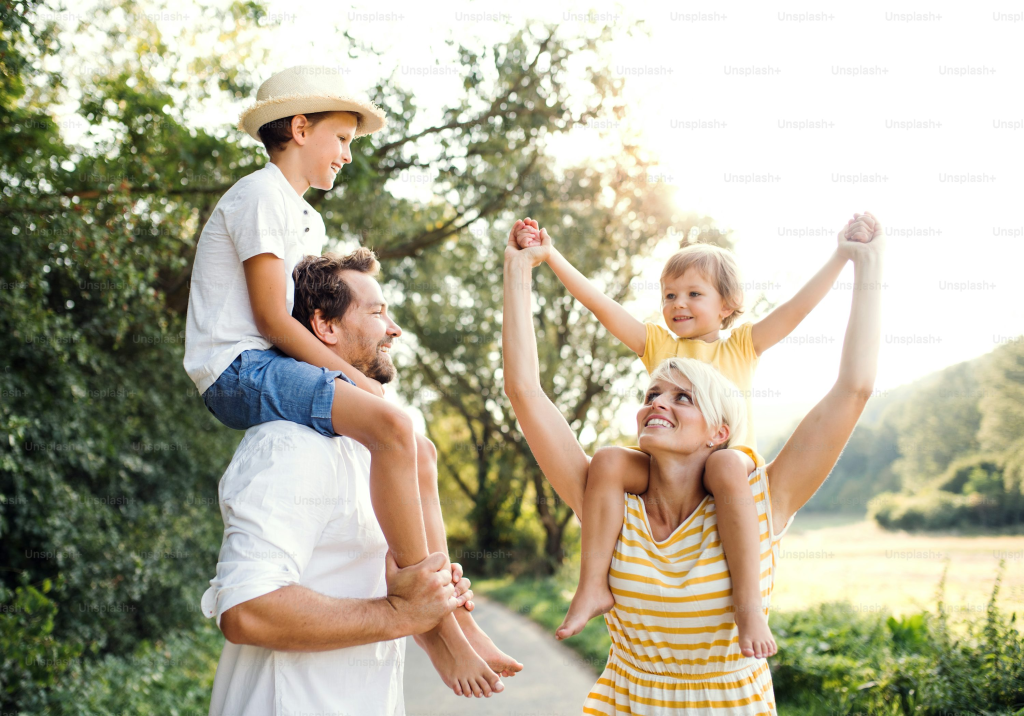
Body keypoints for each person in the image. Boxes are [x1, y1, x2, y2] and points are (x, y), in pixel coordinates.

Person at [184, 66, 517, 695]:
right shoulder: (259, 195)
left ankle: (450, 616)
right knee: (392, 421)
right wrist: (355, 381)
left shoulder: (306, 220)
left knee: (417, 444)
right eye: (341, 138)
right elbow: (271, 318)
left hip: (272, 362)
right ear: (300, 127)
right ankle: (436, 623)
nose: (346, 153)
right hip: (237, 368)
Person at [502, 214, 884, 713]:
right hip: (628, 700)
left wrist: (861, 262)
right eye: (652, 392)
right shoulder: (609, 502)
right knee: (611, 458)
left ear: (720, 429)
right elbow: (525, 391)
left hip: (729, 700)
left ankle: (751, 612)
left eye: (683, 397)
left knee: (728, 472)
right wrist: (522, 267)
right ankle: (590, 589)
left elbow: (853, 388)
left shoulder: (759, 503)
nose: (658, 402)